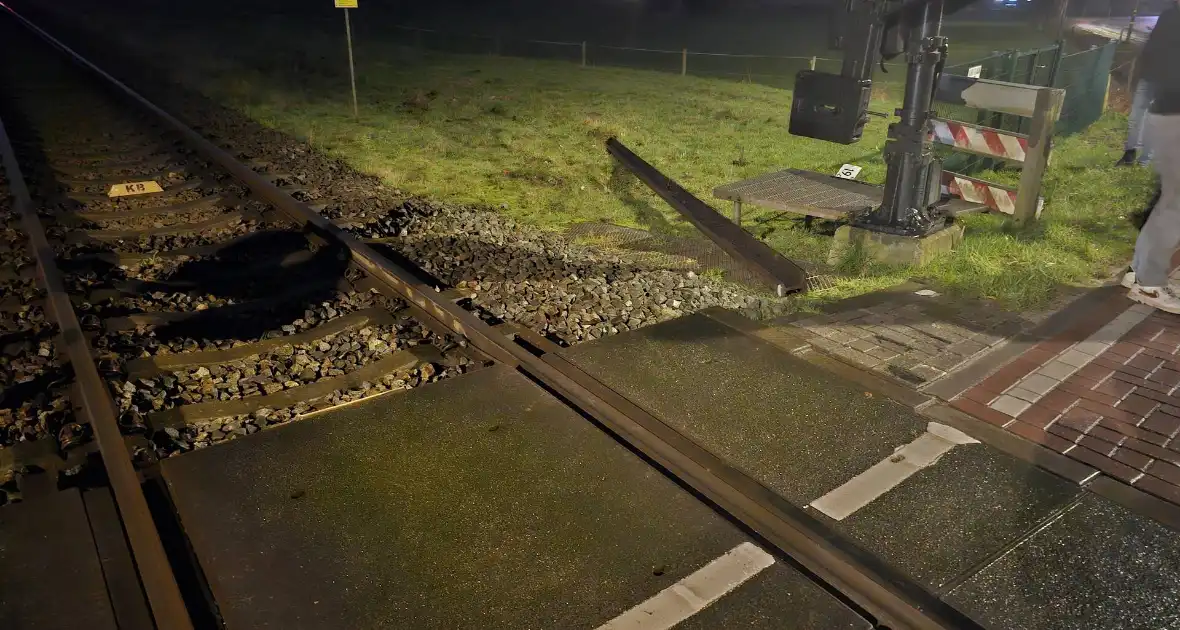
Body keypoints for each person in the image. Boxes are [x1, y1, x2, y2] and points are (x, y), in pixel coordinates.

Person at [1124, 0, 1180, 313]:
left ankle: (1140, 273)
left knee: (1169, 201)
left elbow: (1152, 62)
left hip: (1169, 114)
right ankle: (1149, 284)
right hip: (1176, 116)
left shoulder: (1172, 16)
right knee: (1174, 205)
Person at [1118, 51, 1154, 167]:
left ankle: (1144, 161)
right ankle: (1129, 154)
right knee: (1135, 117)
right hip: (1148, 78)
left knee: (1154, 121)